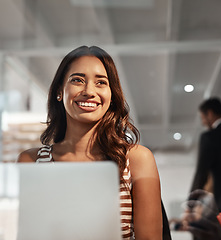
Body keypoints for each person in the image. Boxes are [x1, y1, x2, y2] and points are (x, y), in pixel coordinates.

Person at [18, 46, 164, 239]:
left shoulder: (136, 159)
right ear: (60, 91)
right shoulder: (30, 161)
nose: (89, 91)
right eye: (77, 80)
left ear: (111, 96)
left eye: (101, 82)